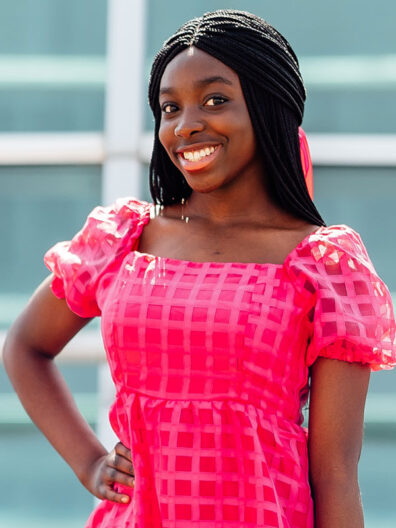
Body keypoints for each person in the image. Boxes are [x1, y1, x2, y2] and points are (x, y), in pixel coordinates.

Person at [3, 9, 396, 528]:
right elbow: (26, 347)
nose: (186, 124)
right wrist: (91, 463)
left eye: (215, 100)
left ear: (267, 106)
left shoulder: (323, 264)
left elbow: (336, 476)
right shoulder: (126, 238)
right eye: (169, 107)